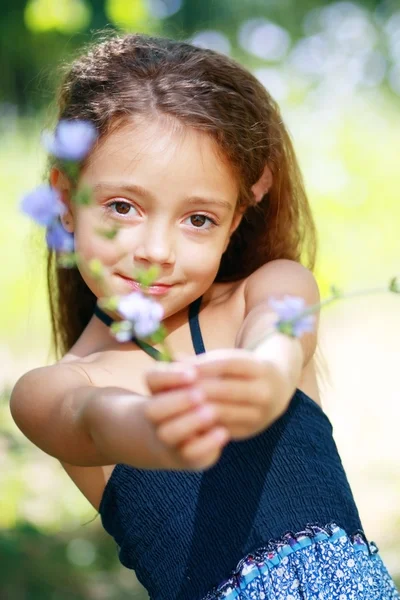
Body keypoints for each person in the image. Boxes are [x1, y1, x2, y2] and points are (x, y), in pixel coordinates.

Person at [10, 33, 399, 600]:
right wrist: (153, 430)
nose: (157, 251)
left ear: (238, 217)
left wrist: (266, 377)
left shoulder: (266, 292)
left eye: (198, 219)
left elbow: (279, 336)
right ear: (66, 201)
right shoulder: (53, 389)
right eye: (124, 207)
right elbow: (93, 417)